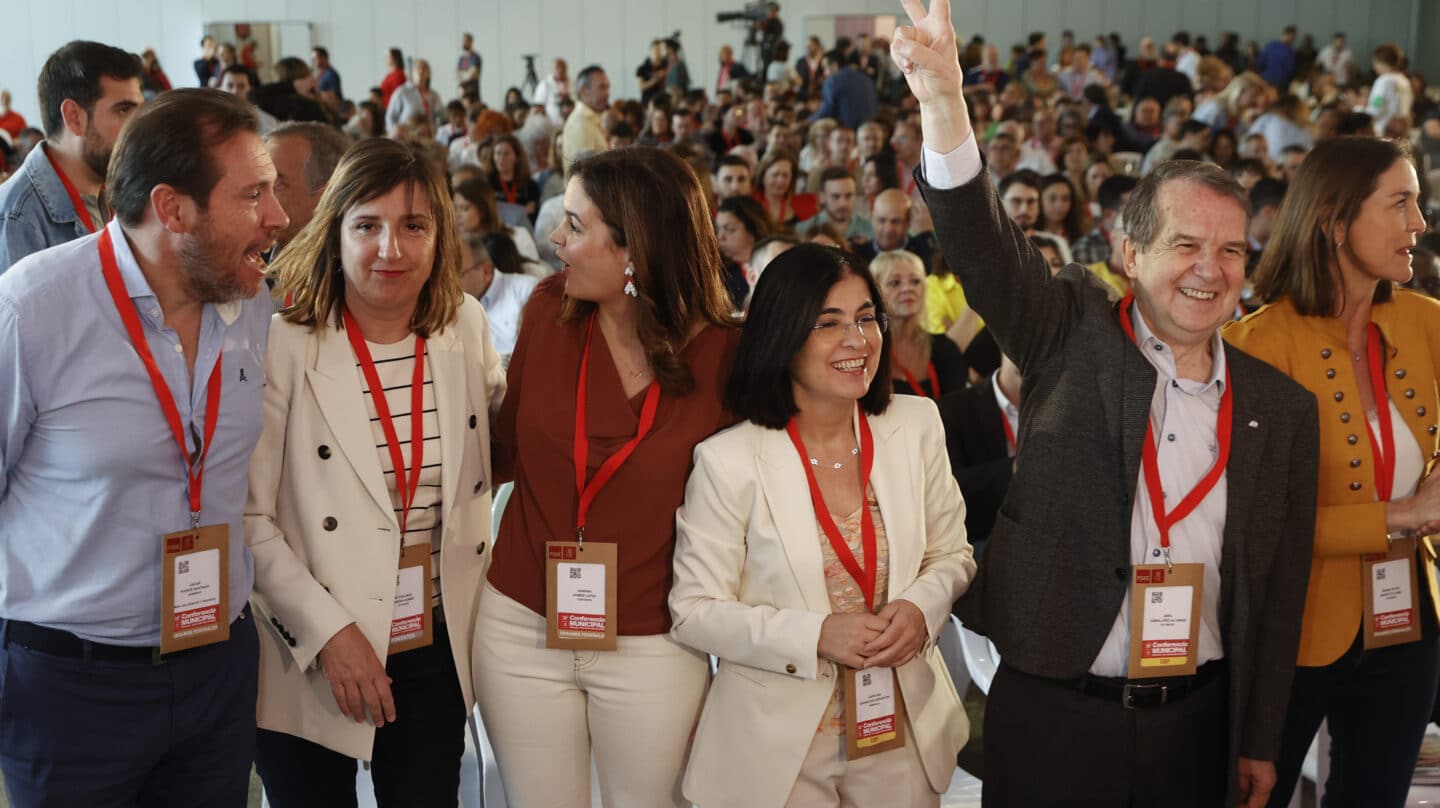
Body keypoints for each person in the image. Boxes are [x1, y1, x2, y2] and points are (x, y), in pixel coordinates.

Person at [891, 4, 1321, 806]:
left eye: (1230, 249)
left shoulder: (1279, 408)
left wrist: (1261, 739)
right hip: (1055, 710)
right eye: (1185, 245)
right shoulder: (1072, 329)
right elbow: (983, 245)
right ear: (1129, 253)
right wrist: (944, 101)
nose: (1210, 269)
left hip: (1196, 723)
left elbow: (1278, 588)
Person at [0, 88, 286, 806]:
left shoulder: (254, 304)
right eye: (253, 196)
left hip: (217, 666)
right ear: (172, 208)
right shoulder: (32, 309)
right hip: (71, 686)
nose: (278, 219)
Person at [473, 146, 741, 808]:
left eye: (573, 225)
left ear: (634, 250)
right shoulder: (545, 312)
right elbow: (501, 448)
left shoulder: (727, 357)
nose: (554, 241)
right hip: (519, 626)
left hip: (652, 637)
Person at [245, 135, 503, 806]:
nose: (391, 249)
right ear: (334, 233)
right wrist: (330, 634)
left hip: (433, 637)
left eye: (413, 226)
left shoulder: (465, 327)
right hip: (311, 643)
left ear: (440, 235)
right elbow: (248, 519)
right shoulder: (284, 342)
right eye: (368, 226)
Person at [669, 243, 973, 807]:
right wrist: (814, 636)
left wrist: (920, 608)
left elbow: (953, 555)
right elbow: (694, 610)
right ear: (782, 336)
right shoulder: (728, 460)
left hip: (900, 731)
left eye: (866, 319)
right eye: (828, 324)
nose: (858, 341)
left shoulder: (916, 424)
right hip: (778, 750)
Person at [1224, 136, 1440, 808]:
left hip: (1409, 626)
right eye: (1400, 202)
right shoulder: (1255, 345)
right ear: (1334, 219)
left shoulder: (1429, 323)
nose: (1420, 224)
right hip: (1287, 636)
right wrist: (1400, 515)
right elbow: (1251, 521)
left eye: (1420, 203)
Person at [0, 41, 143, 272]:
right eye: (123, 110)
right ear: (74, 117)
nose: (138, 126)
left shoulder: (121, 189)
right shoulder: (18, 218)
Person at [872, 249, 968, 399]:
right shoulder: (867, 350)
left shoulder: (944, 348)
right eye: (895, 283)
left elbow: (957, 410)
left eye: (915, 281)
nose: (907, 288)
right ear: (875, 292)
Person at [264, 122, 351, 256]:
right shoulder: (250, 259)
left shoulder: (352, 273)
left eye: (277, 185)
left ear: (327, 196)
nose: (255, 198)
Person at [459, 230, 539, 362]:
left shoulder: (526, 290)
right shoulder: (449, 308)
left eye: (458, 274)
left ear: (486, 271)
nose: (448, 283)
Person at [452, 177, 539, 263]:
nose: (457, 215)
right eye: (455, 208)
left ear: (483, 209)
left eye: (464, 208)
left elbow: (534, 271)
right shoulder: (453, 245)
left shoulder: (518, 236)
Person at [854, 188, 935, 271]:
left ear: (908, 222)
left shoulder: (923, 253)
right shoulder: (857, 255)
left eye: (895, 221)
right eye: (882, 220)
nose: (888, 228)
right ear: (872, 218)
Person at [810, 50, 879, 130]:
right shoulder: (866, 78)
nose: (824, 73)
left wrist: (805, 123)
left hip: (847, 133)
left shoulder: (832, 81)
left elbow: (826, 112)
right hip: (870, 130)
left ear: (834, 65)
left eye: (825, 68)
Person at [754, 147, 818, 227]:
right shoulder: (751, 204)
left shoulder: (806, 205)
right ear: (763, 176)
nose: (780, 180)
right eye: (775, 175)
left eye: (785, 175)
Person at [561, 65, 608, 172]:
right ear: (583, 91)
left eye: (607, 87)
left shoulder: (590, 119)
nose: (607, 93)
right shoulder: (581, 122)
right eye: (602, 87)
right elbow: (586, 174)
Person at [486, 133, 540, 222]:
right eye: (498, 153)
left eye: (506, 154)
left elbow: (533, 214)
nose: (501, 158)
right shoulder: (486, 183)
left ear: (516, 158)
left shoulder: (530, 186)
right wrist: (522, 210)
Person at [385, 59, 443, 134]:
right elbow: (390, 116)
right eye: (418, 69)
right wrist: (393, 135)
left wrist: (435, 130)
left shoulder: (434, 95)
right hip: (405, 137)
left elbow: (442, 117)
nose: (420, 72)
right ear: (412, 73)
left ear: (429, 74)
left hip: (427, 137)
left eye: (424, 69)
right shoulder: (402, 91)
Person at [1368, 44, 1413, 138]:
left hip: (1384, 130)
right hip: (1403, 130)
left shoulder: (1383, 81)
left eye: (1375, 62)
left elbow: (1376, 106)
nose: (1374, 66)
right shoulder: (1404, 80)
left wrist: (1358, 108)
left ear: (1381, 62)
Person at [456, 33, 482, 100]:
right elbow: (457, 74)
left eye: (465, 41)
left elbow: (472, 74)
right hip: (462, 93)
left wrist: (463, 74)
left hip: (472, 94)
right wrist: (466, 74)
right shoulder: (462, 59)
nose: (463, 43)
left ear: (471, 42)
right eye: (463, 41)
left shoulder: (475, 57)